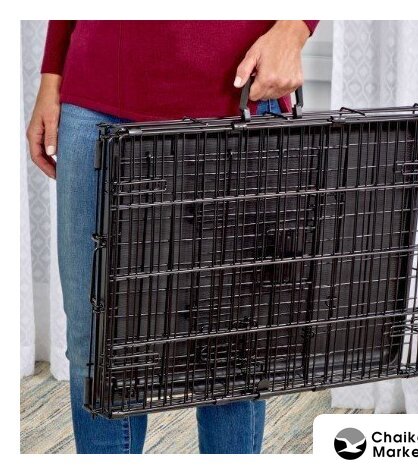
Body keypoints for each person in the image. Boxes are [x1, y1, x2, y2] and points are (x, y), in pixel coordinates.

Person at [26, 20, 319, 454]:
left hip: (236, 92)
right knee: (97, 343)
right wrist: (52, 78)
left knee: (232, 341)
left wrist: (295, 28)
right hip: (98, 91)